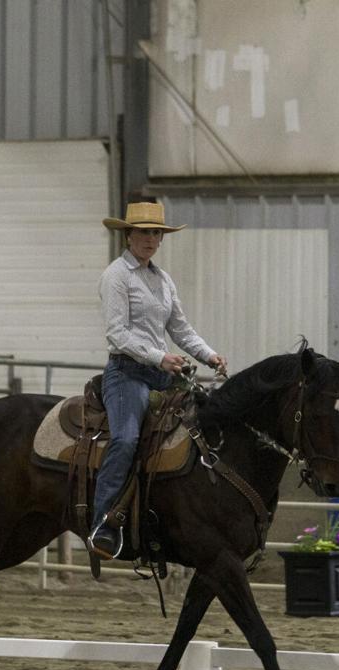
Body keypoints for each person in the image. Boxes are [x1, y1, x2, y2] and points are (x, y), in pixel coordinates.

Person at [88, 201, 228, 560]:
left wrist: (208, 355)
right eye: (144, 232)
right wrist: (159, 357)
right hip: (127, 373)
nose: (151, 238)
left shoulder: (162, 279)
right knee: (126, 439)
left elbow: (180, 328)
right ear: (129, 235)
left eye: (157, 233)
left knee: (206, 425)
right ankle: (102, 523)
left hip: (162, 373)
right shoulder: (116, 276)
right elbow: (118, 335)